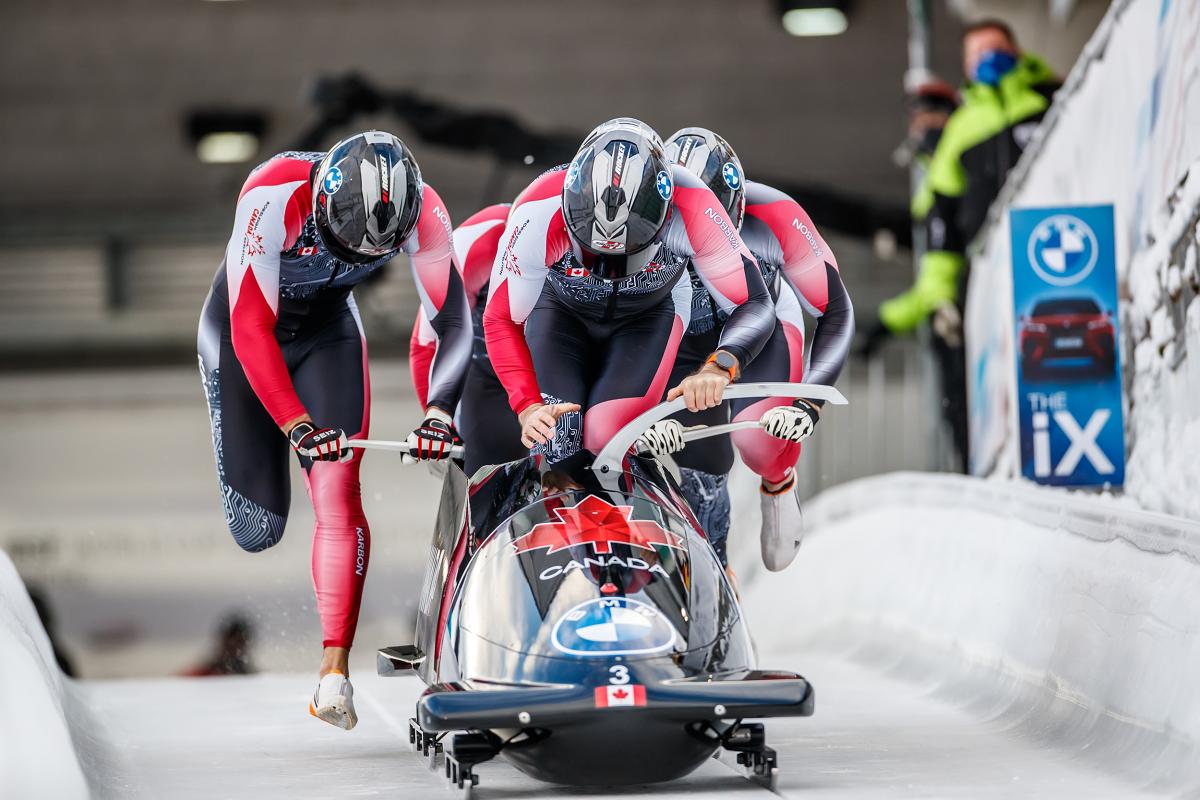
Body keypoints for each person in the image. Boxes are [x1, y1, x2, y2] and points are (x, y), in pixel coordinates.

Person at [197, 130, 471, 730]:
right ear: (323, 203)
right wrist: (296, 423)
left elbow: (452, 318)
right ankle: (266, 434)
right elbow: (249, 327)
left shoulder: (424, 209)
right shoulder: (274, 194)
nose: (354, 258)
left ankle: (333, 672)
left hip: (327, 334)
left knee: (337, 488)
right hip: (245, 335)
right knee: (256, 528)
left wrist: (439, 411)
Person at [482, 118, 775, 471]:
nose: (609, 268)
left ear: (666, 217)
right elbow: (500, 318)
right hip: (561, 314)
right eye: (594, 253)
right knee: (556, 440)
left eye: (629, 253)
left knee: (609, 438)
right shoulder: (538, 212)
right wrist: (527, 405)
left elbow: (753, 301)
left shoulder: (695, 207)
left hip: (649, 318)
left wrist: (720, 366)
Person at [639, 128, 854, 572]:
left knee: (757, 441)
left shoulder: (777, 216)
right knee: (687, 457)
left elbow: (835, 310)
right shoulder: (644, 212)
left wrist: (808, 403)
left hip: (763, 330)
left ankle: (777, 479)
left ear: (737, 209)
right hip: (679, 333)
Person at [859, 20, 1059, 472]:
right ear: (967, 66)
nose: (987, 61)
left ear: (1015, 49)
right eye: (976, 55)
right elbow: (943, 236)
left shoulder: (1051, 102)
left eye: (995, 50)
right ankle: (982, 475)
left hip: (1051, 260)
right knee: (976, 391)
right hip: (988, 276)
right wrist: (942, 299)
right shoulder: (962, 131)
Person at [411, 203, 528, 475]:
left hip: (557, 368)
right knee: (487, 482)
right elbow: (425, 345)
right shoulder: (472, 244)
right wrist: (441, 424)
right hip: (490, 378)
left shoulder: (582, 246)